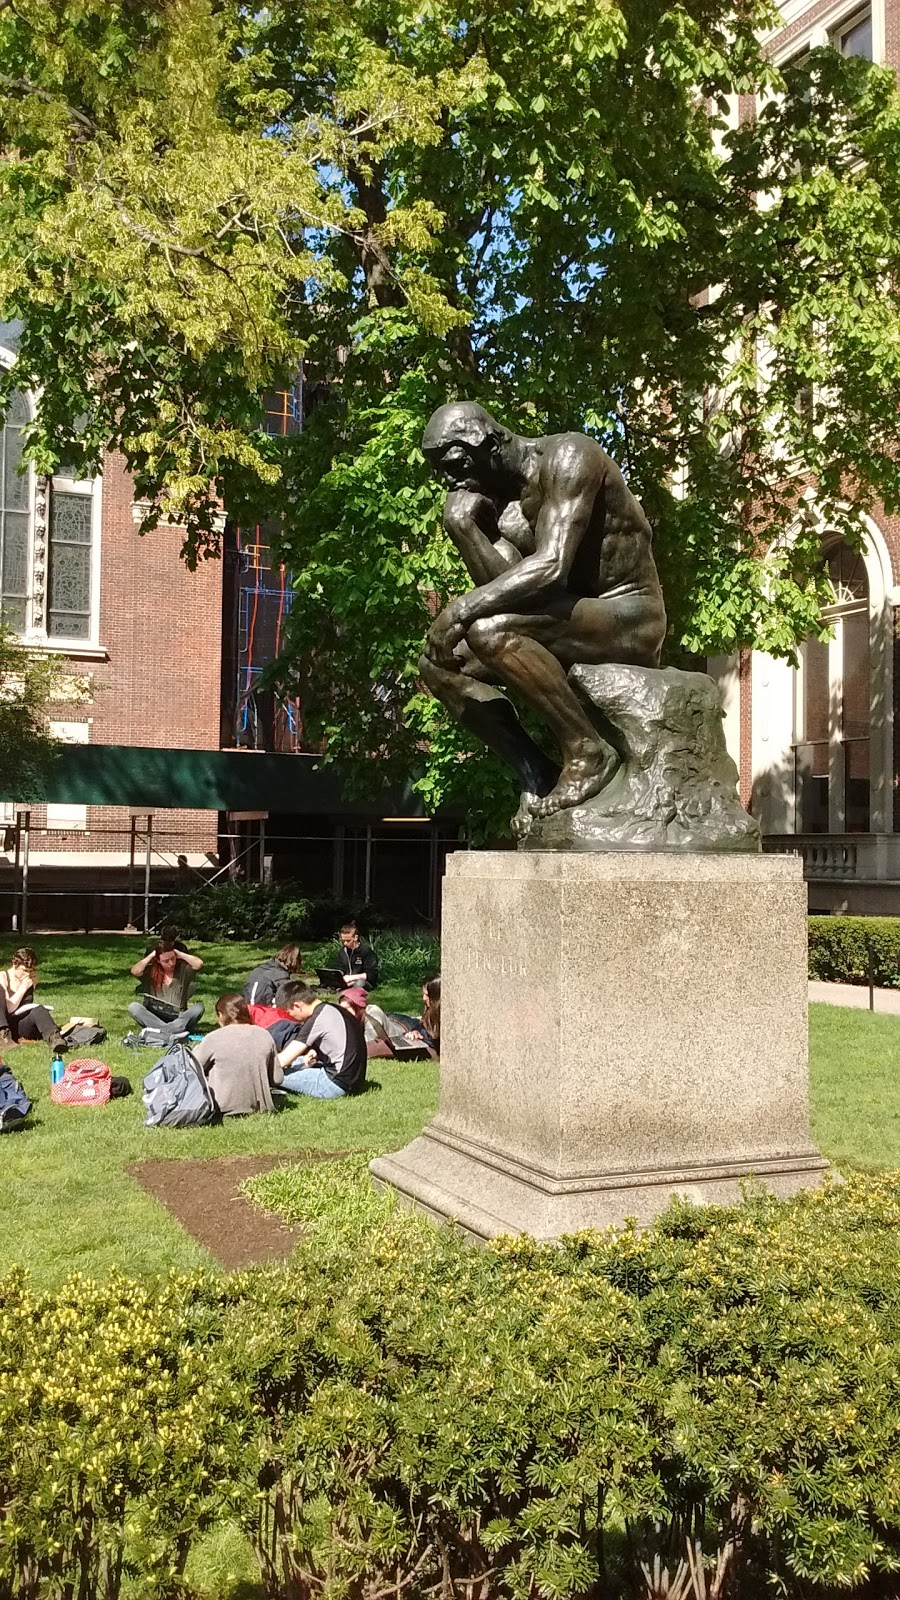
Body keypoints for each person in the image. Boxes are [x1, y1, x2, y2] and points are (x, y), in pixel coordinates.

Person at [419, 402, 667, 834]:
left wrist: (459, 609)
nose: (451, 480)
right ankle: (538, 773)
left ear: (490, 443)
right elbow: (508, 590)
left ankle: (588, 751)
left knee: (488, 629)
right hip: (567, 618)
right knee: (437, 665)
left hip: (630, 614)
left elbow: (551, 568)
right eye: (442, 470)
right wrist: (465, 531)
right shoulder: (503, 507)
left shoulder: (570, 457)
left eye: (457, 464)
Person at [268, 981, 366, 1098]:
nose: (291, 1017)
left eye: (289, 1012)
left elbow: (283, 1060)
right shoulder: (334, 1009)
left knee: (271, 1074)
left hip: (335, 1084)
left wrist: (257, 1065)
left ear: (297, 1006)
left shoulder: (316, 1019)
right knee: (299, 1061)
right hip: (355, 1080)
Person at [192, 993, 282, 1115]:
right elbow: (277, 1078)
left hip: (220, 1105)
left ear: (220, 1015)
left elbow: (192, 1069)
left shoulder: (214, 1038)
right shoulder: (264, 1035)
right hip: (261, 1106)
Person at [129, 940, 204, 1039]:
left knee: (198, 1007)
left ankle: (162, 1032)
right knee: (134, 1007)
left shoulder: (183, 970)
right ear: (158, 961)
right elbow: (135, 971)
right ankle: (173, 1032)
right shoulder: (151, 972)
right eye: (166, 961)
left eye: (173, 958)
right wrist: (151, 956)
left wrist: (180, 954)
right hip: (155, 1016)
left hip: (178, 1017)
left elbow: (198, 964)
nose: (171, 963)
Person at [0, 947, 68, 1051]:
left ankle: (55, 1039)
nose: (27, 974)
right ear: (15, 965)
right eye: (24, 970)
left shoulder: (31, 979)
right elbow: (9, 1008)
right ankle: (3, 1036)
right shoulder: (3, 977)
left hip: (20, 1023)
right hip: (5, 1021)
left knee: (39, 1009)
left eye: (30, 971)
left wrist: (31, 984)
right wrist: (23, 988)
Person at [326, 922, 379, 990]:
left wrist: (352, 978)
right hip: (347, 981)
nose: (345, 943)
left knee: (359, 983)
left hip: (363, 981)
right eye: (343, 941)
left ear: (355, 938)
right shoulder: (343, 952)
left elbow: (371, 975)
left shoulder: (366, 951)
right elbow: (340, 969)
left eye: (348, 941)